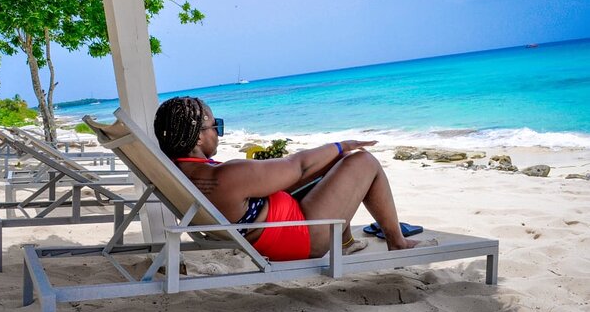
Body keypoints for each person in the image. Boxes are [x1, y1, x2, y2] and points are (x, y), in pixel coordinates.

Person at [153, 96, 420, 261]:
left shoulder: (177, 172)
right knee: (363, 161)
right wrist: (343, 144)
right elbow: (298, 166)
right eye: (216, 126)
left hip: (276, 225)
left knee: (332, 163)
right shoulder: (226, 175)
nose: (219, 133)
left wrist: (331, 157)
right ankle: (397, 242)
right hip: (303, 238)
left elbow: (298, 169)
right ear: (198, 137)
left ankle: (347, 242)